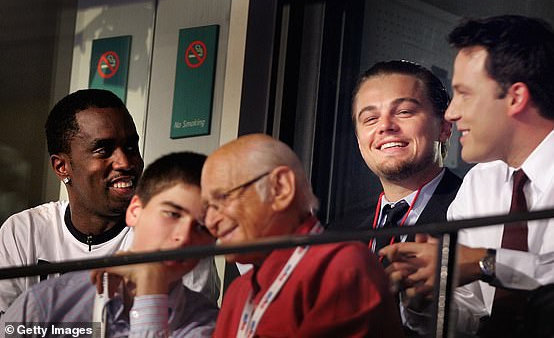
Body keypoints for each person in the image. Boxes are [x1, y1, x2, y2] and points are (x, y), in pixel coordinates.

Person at [380, 15, 554, 337]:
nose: (451, 113)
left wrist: (486, 263)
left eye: (464, 94)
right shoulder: (479, 183)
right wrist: (420, 297)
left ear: (515, 97)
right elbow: (468, 316)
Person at [0, 89, 218, 315]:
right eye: (103, 150)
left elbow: (187, 325)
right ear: (61, 167)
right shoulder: (23, 231)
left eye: (131, 147)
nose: (124, 162)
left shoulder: (176, 236)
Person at [202, 134, 404, 338]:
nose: (211, 221)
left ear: (280, 188)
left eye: (223, 198)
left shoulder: (340, 267)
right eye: (207, 208)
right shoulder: (238, 291)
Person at [0, 152, 218, 337]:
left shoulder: (209, 323)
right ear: (135, 211)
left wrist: (151, 290)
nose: (184, 237)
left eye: (202, 227)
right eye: (172, 214)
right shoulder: (47, 303)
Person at [328, 60, 462, 335]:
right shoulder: (337, 233)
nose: (385, 126)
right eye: (370, 118)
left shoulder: (476, 214)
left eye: (403, 111)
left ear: (445, 127)